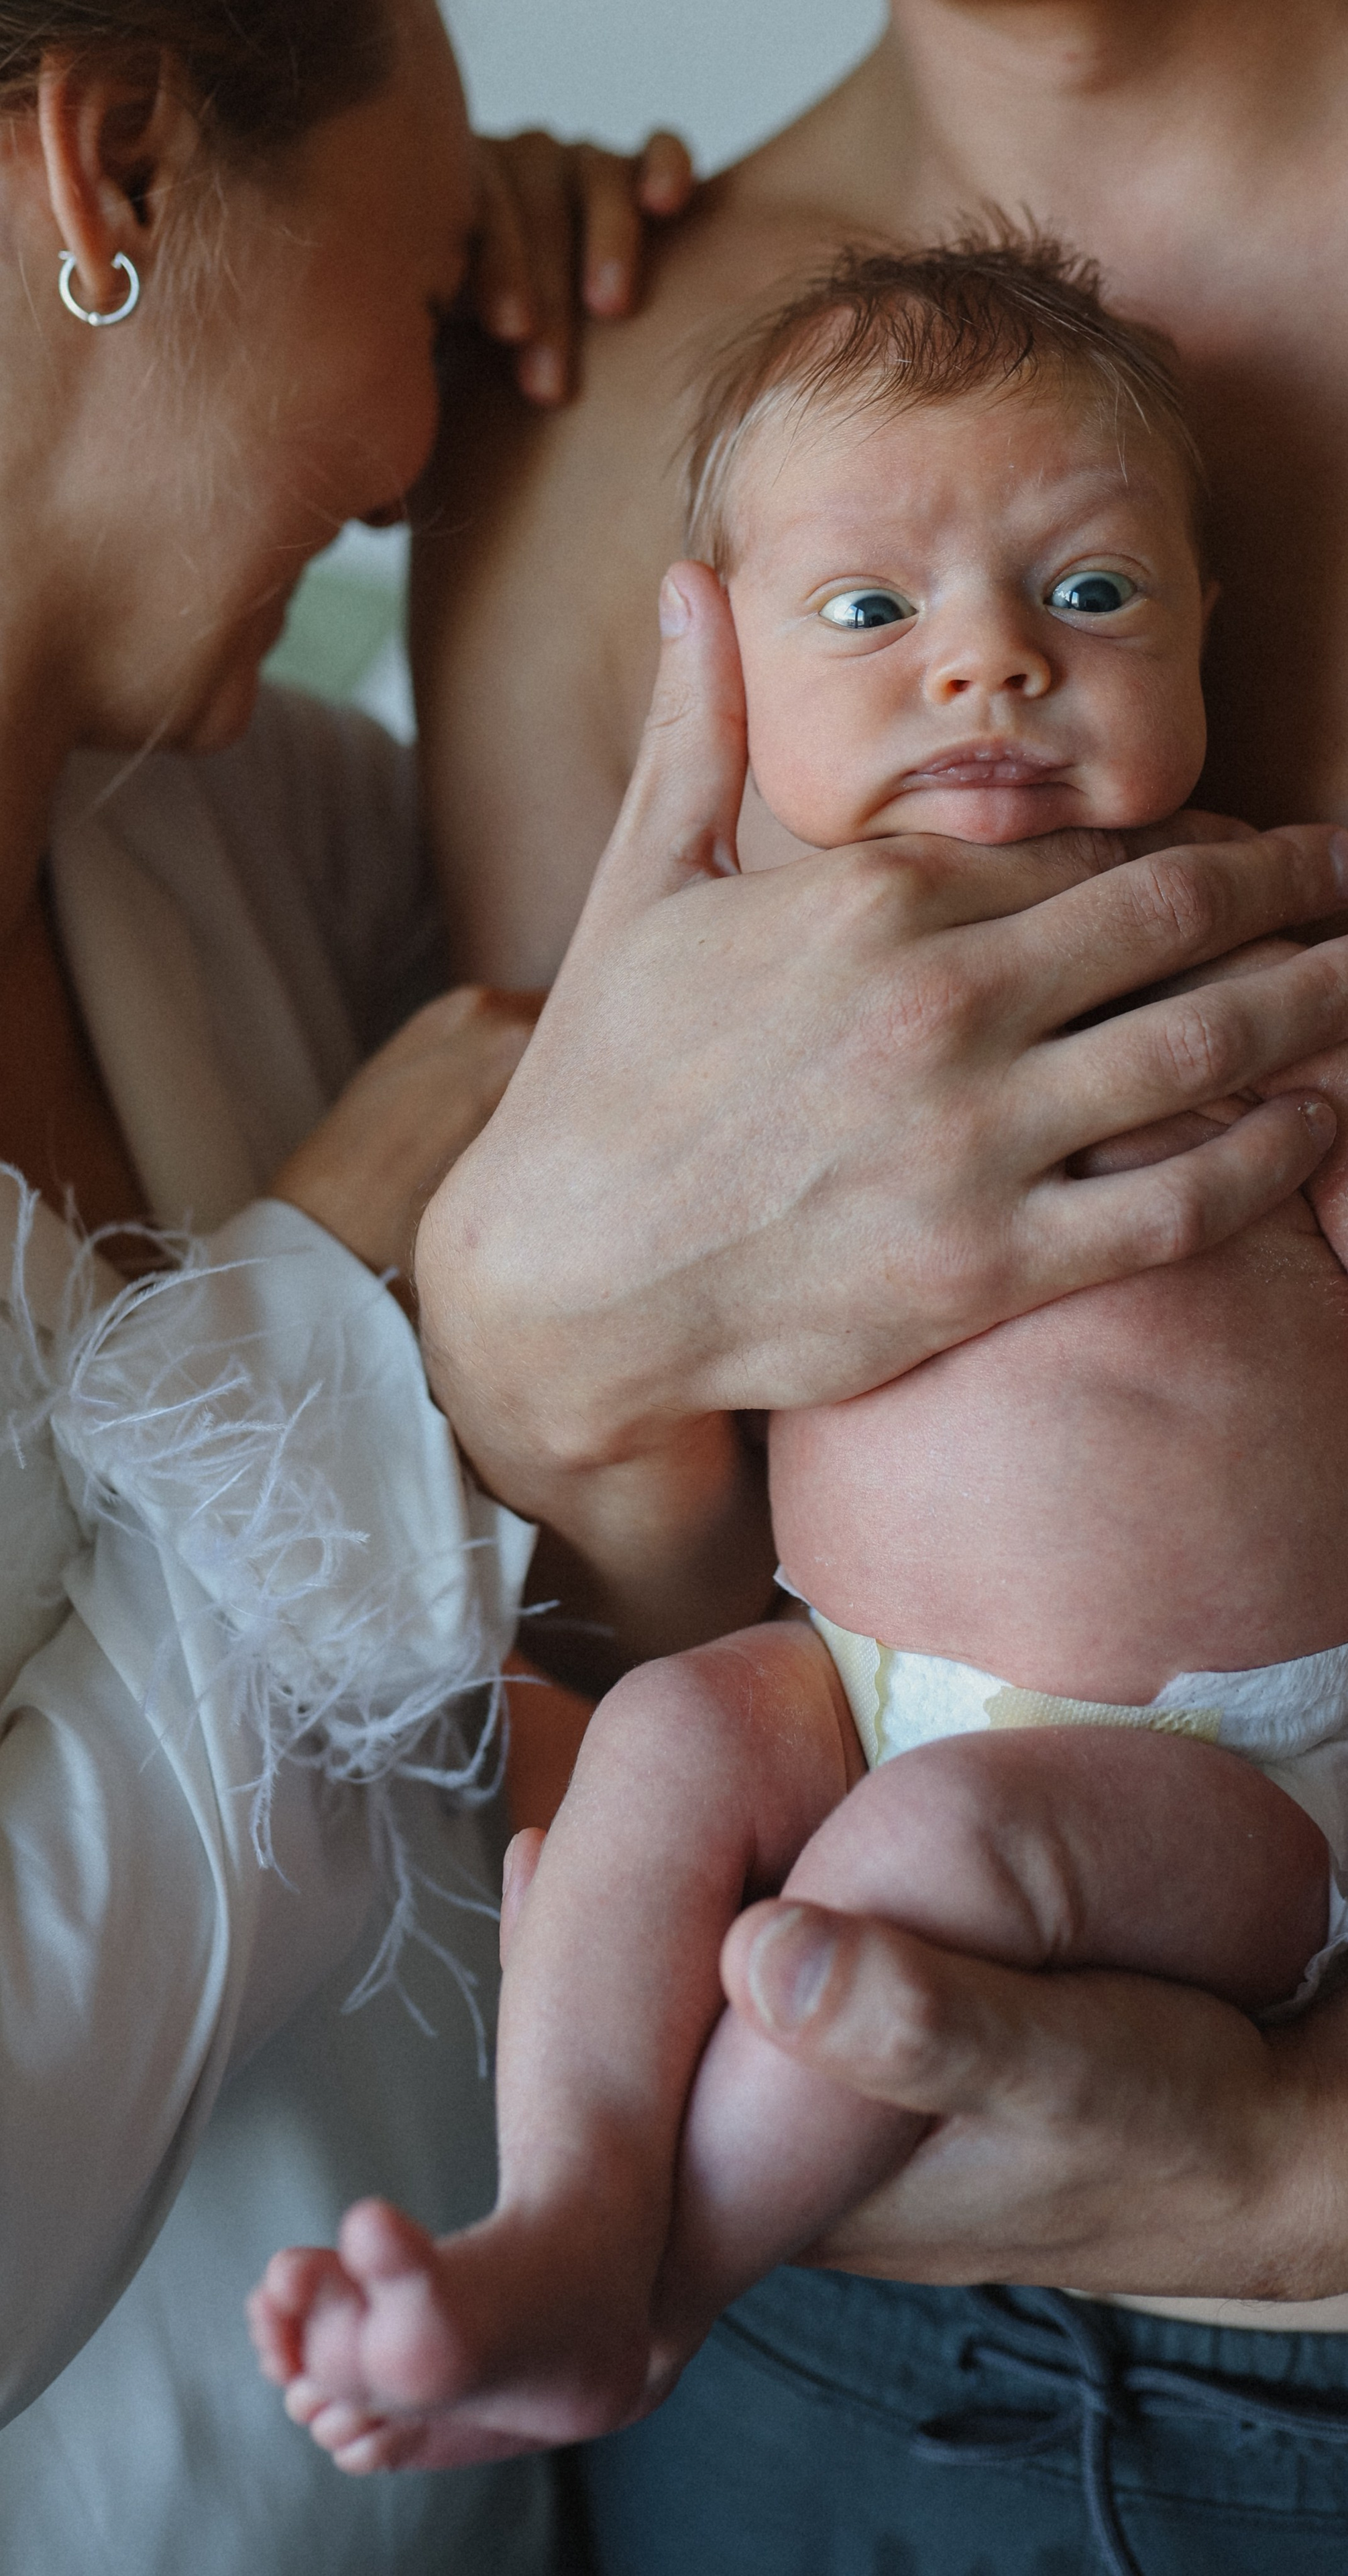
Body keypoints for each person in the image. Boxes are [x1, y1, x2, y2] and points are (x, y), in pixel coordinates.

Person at [404, 0, 1348, 2565]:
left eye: (1087, 593)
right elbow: (623, 1589)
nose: (983, 666)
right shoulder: (571, 378)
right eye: (875, 610)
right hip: (779, 2408)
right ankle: (583, 2250)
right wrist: (525, 1351)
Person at [0, 7, 704, 2569]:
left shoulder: (225, 827)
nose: (417, 450)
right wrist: (324, 1331)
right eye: (418, 307)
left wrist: (579, 386)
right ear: (119, 171)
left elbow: (635, 952)